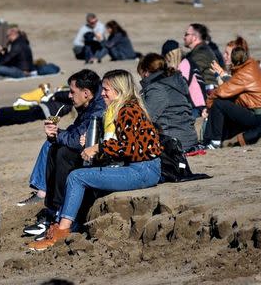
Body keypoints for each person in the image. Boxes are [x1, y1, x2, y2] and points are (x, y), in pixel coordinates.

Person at [28, 69, 162, 251]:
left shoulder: (128, 111)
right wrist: (91, 144)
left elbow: (128, 147)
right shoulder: (122, 108)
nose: (102, 93)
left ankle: (61, 231)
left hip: (143, 170)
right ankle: (69, 223)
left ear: (119, 90)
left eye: (106, 89)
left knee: (76, 177)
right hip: (140, 167)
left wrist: (98, 147)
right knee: (77, 170)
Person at [21, 70, 105, 234]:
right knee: (54, 147)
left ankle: (57, 211)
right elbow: (76, 132)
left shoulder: (97, 110)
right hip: (91, 152)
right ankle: (52, 208)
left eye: (72, 92)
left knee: (63, 153)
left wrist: (58, 134)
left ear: (86, 93)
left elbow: (77, 140)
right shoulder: (88, 106)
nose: (69, 96)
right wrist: (56, 134)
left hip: (100, 157)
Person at [203, 38, 261, 149]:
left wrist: (208, 105)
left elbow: (223, 91)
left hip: (259, 115)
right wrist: (222, 75)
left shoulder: (245, 72)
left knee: (218, 103)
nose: (224, 56)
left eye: (228, 53)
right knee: (224, 105)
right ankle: (215, 139)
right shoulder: (249, 65)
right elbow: (234, 86)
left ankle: (214, 142)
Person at [137, 53, 198, 151]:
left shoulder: (157, 89)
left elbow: (146, 118)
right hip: (189, 138)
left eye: (140, 73)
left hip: (174, 142)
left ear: (146, 72)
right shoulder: (174, 82)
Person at [161, 40, 206, 118]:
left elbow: (180, 88)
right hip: (193, 105)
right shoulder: (185, 62)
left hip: (196, 107)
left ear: (169, 56)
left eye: (165, 57)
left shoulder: (185, 64)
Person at [183, 23, 218, 87]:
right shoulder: (197, 52)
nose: (184, 37)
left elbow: (189, 73)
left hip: (208, 92)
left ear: (194, 38)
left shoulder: (202, 54)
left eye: (186, 34)